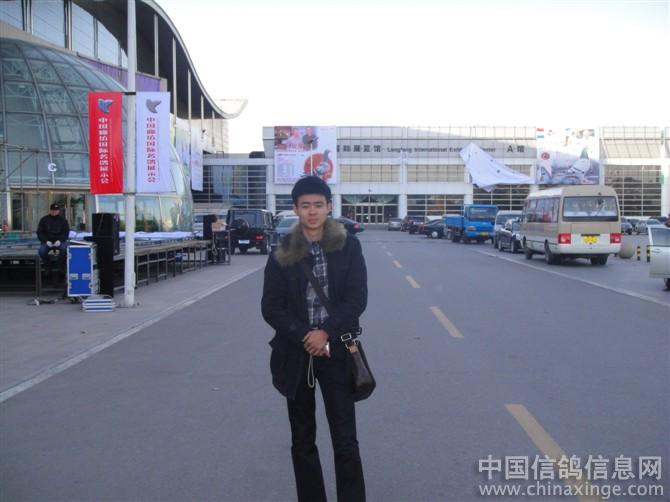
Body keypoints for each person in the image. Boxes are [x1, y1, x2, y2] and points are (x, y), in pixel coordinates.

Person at [261, 176, 368, 502]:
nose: (312, 211)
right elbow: (271, 306)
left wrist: (325, 332)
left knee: (345, 438)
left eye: (318, 205)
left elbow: (356, 299)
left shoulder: (349, 246)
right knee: (302, 439)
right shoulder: (282, 252)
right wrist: (304, 335)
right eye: (305, 205)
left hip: (337, 352)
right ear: (296, 208)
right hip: (297, 354)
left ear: (329, 207)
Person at [37, 203, 70, 267]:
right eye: (53, 210)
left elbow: (66, 233)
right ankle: (48, 265)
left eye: (56, 210)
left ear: (58, 211)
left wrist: (60, 240)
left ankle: (59, 265)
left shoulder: (63, 220)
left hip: (60, 241)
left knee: (65, 249)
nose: (54, 211)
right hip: (47, 241)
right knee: (41, 251)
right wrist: (46, 241)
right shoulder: (44, 219)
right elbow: (39, 233)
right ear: (50, 210)